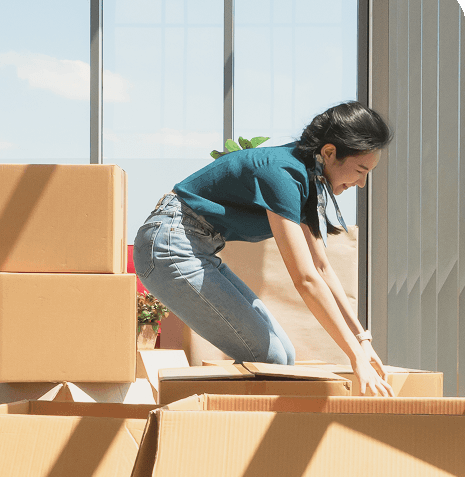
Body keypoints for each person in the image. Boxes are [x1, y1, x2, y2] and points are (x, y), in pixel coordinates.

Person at [133, 101, 394, 397]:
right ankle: (204, 431)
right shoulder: (283, 173)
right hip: (170, 245)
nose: (361, 183)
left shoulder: (308, 178)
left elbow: (322, 269)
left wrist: (362, 342)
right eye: (361, 170)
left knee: (281, 356)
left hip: (195, 246)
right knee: (268, 357)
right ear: (330, 152)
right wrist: (354, 358)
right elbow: (306, 279)